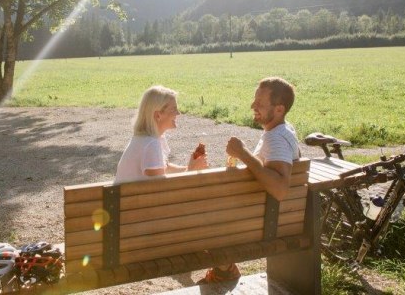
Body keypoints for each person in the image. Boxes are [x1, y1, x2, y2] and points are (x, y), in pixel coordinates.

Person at [198, 76, 300, 284]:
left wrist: (243, 154)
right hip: (274, 218)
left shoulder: (275, 138)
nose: (252, 105)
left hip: (262, 224)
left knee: (205, 212)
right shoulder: (286, 130)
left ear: (279, 109)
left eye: (260, 103)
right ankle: (224, 269)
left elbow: (280, 188)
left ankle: (223, 269)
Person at [114, 85, 207, 184]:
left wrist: (190, 168)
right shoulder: (151, 144)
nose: (178, 113)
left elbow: (165, 168)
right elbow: (161, 190)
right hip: (136, 199)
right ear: (158, 115)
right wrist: (190, 171)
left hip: (127, 198)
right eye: (174, 109)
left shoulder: (146, 138)